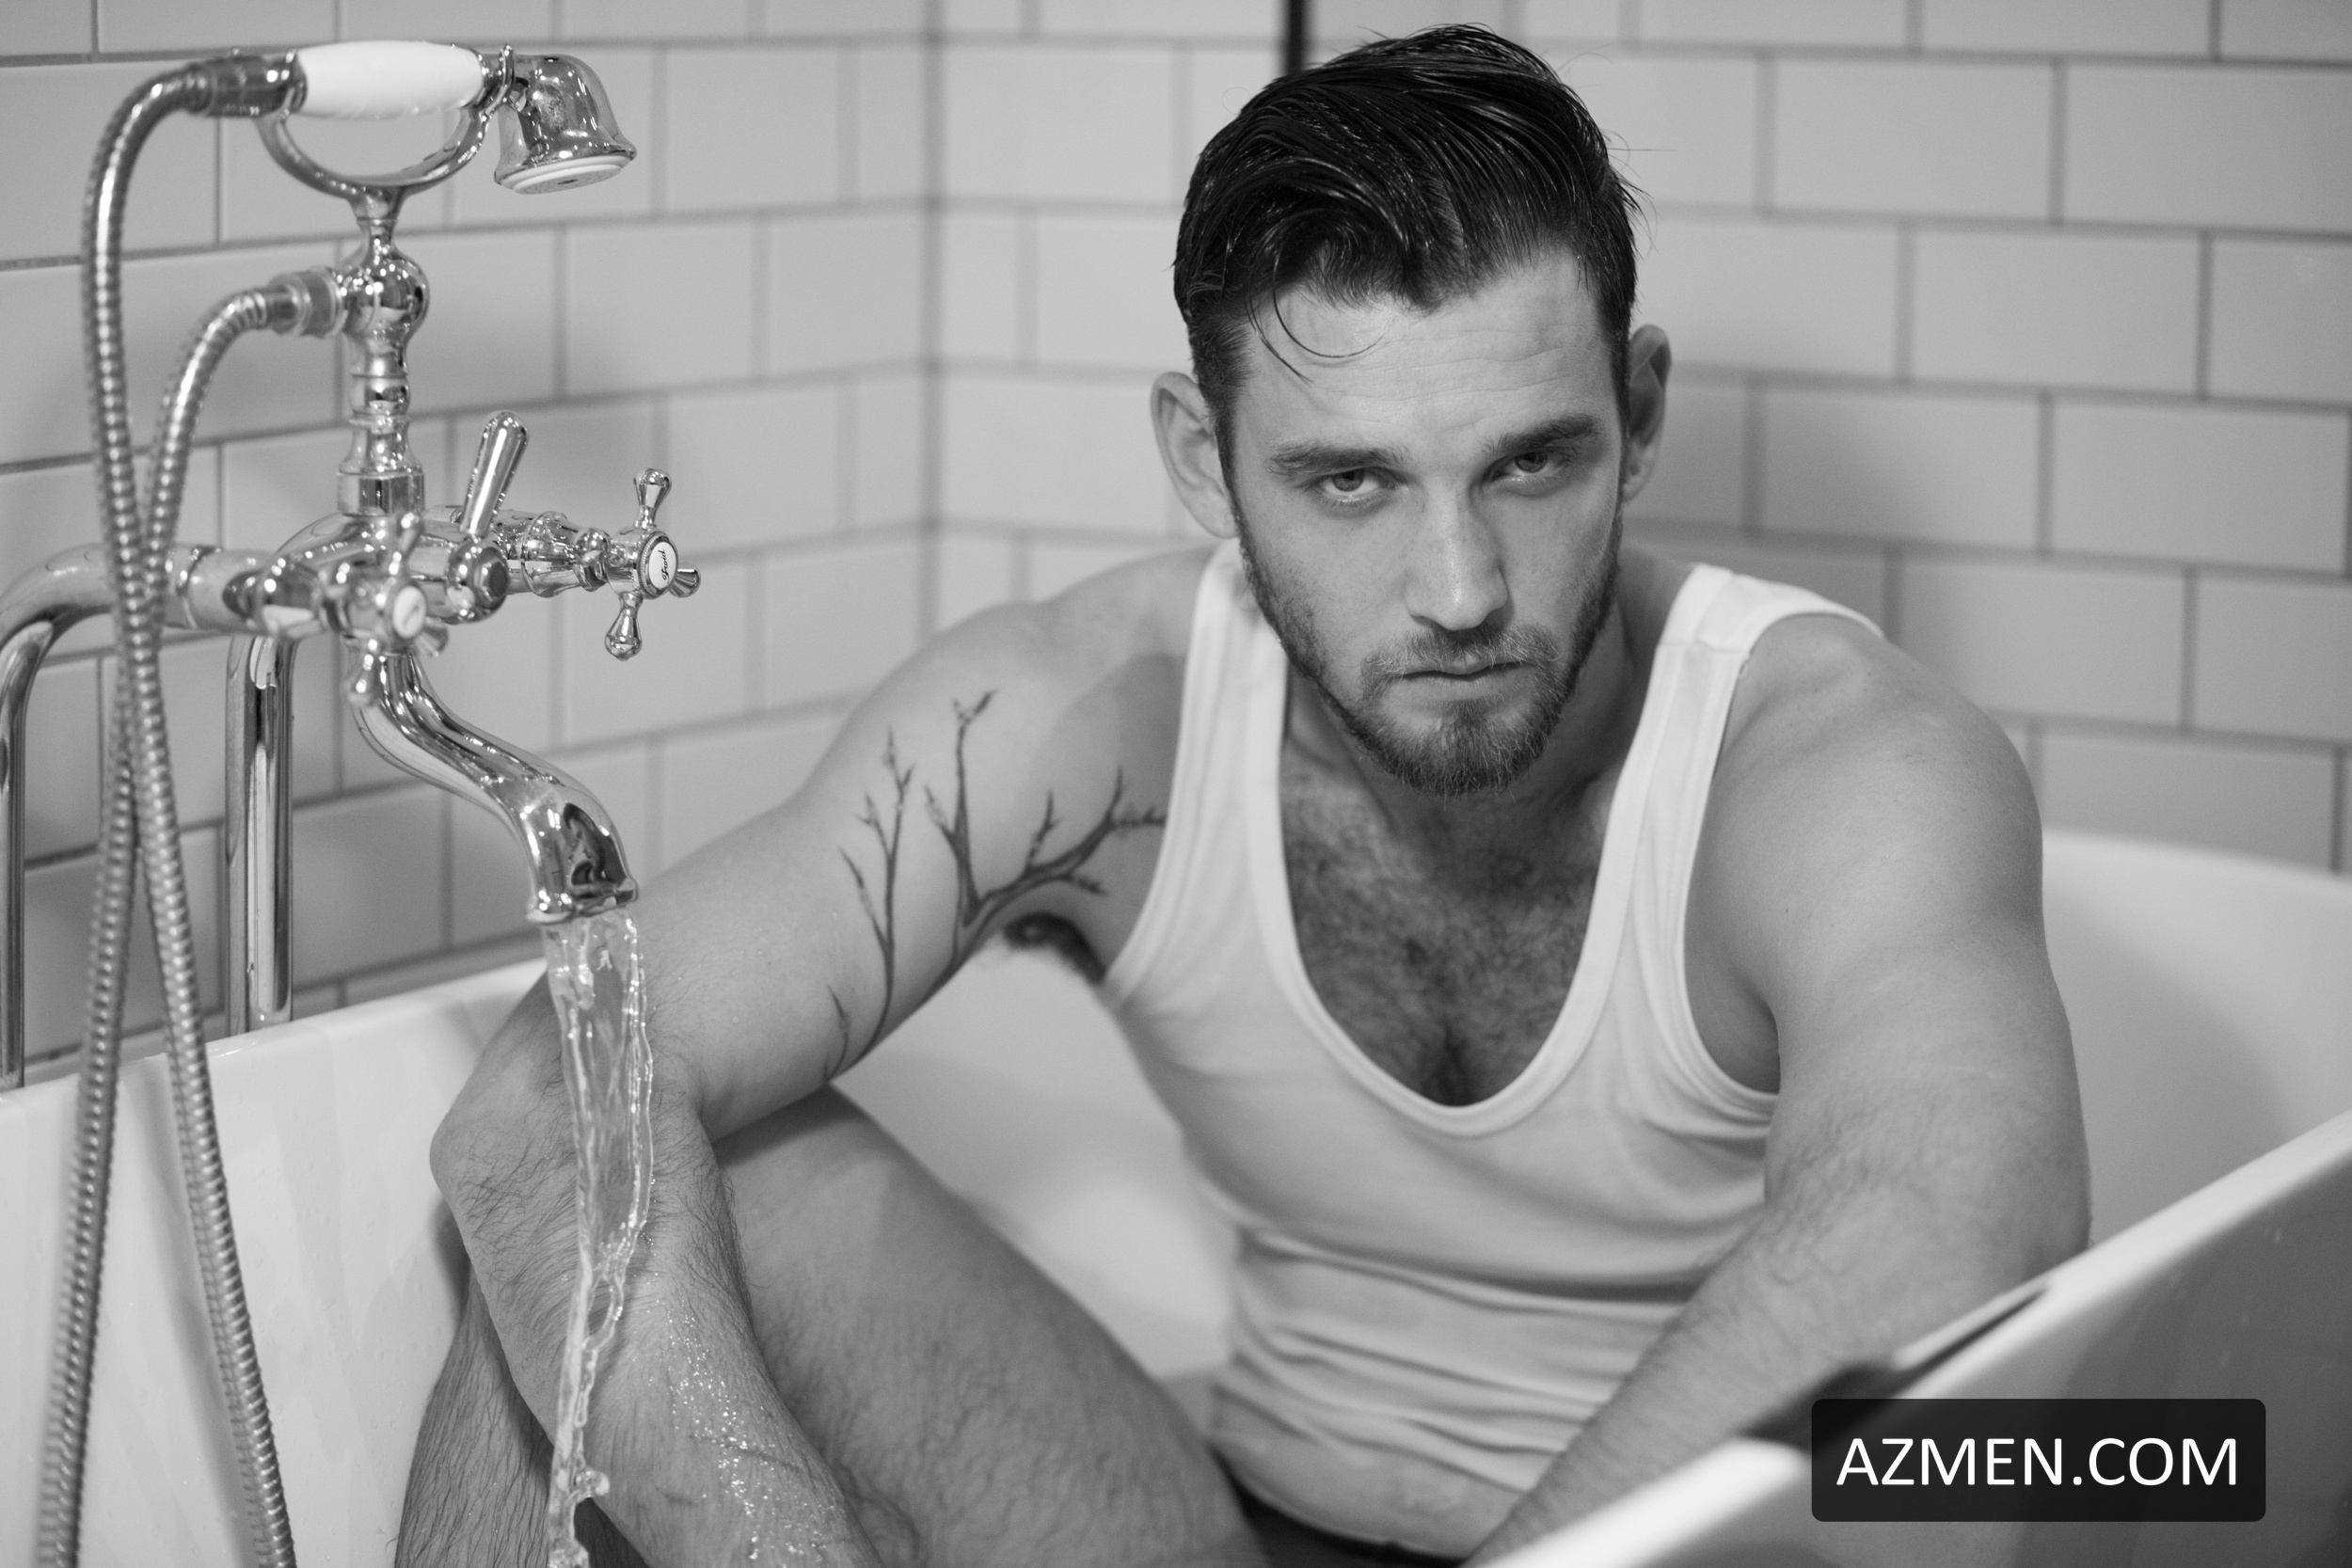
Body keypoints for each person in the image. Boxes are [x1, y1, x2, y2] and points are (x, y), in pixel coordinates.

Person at [398, 26, 2088, 1568]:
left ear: (1637, 416)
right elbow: (540, 1105)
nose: (1460, 591)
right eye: (1350, 481)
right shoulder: (1093, 714)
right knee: (611, 1200)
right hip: (1240, 1525)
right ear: (1204, 463)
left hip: (1696, 1549)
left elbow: (1957, 1225)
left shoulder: (1832, 758)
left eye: (1530, 461)